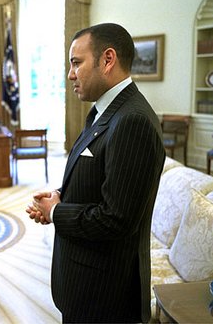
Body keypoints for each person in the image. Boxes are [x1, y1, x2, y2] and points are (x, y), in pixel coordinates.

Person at [26, 23, 165, 323]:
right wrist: (60, 196)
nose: (70, 74)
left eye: (76, 63)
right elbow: (100, 179)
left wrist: (56, 213)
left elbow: (116, 220)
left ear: (108, 59)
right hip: (84, 283)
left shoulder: (132, 121)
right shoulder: (102, 110)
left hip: (105, 295)